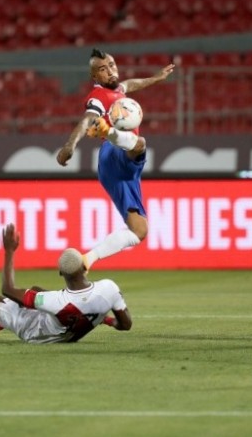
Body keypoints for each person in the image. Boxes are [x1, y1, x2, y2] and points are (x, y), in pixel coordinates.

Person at [56, 48, 175, 270]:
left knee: (139, 231)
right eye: (103, 69)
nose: (110, 71)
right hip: (114, 153)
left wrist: (156, 78)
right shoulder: (97, 97)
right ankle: (108, 132)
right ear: (94, 77)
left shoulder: (119, 89)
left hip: (119, 171)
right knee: (140, 145)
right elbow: (87, 119)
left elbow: (131, 84)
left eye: (111, 65)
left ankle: (86, 260)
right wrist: (69, 145)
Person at [0, 223, 132, 344]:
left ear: (61, 273)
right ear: (85, 267)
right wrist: (107, 321)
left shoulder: (57, 300)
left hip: (38, 334)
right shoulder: (109, 289)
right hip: (70, 333)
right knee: (36, 292)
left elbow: (8, 290)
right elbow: (126, 325)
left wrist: (9, 251)